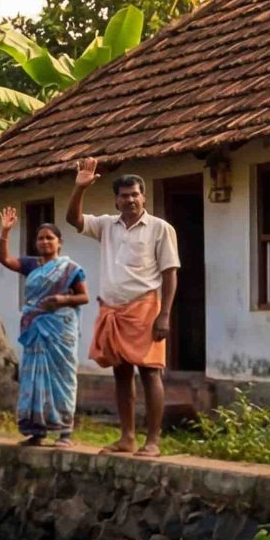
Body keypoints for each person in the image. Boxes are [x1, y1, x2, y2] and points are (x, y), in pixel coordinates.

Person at [68, 159, 180, 457]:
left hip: (145, 308)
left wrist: (165, 314)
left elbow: (170, 273)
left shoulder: (160, 229)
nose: (129, 199)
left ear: (144, 196)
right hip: (112, 311)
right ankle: (127, 437)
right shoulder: (106, 225)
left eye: (135, 194)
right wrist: (80, 188)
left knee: (150, 373)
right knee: (120, 373)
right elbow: (73, 220)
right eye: (124, 195)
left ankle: (153, 441)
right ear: (116, 200)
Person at [0, 210, 88, 446]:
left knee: (63, 379)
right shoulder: (30, 264)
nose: (45, 242)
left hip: (60, 330)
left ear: (59, 242)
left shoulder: (70, 269)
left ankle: (65, 431)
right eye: (40, 238)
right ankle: (36, 431)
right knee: (33, 379)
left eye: (50, 238)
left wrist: (61, 300)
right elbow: (5, 260)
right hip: (36, 329)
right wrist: (5, 231)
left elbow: (83, 297)